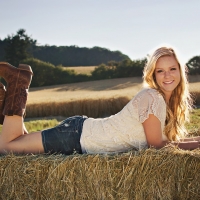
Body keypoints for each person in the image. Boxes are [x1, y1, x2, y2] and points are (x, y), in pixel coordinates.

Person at [0, 46, 199, 155]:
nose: (167, 76)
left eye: (172, 69)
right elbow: (156, 146)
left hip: (79, 131)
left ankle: (5, 102)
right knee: (7, 147)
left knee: (19, 141)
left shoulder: (162, 101)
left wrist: (196, 141)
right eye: (160, 71)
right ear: (153, 74)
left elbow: (166, 142)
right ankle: (19, 83)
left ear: (180, 71)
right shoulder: (152, 97)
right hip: (75, 137)